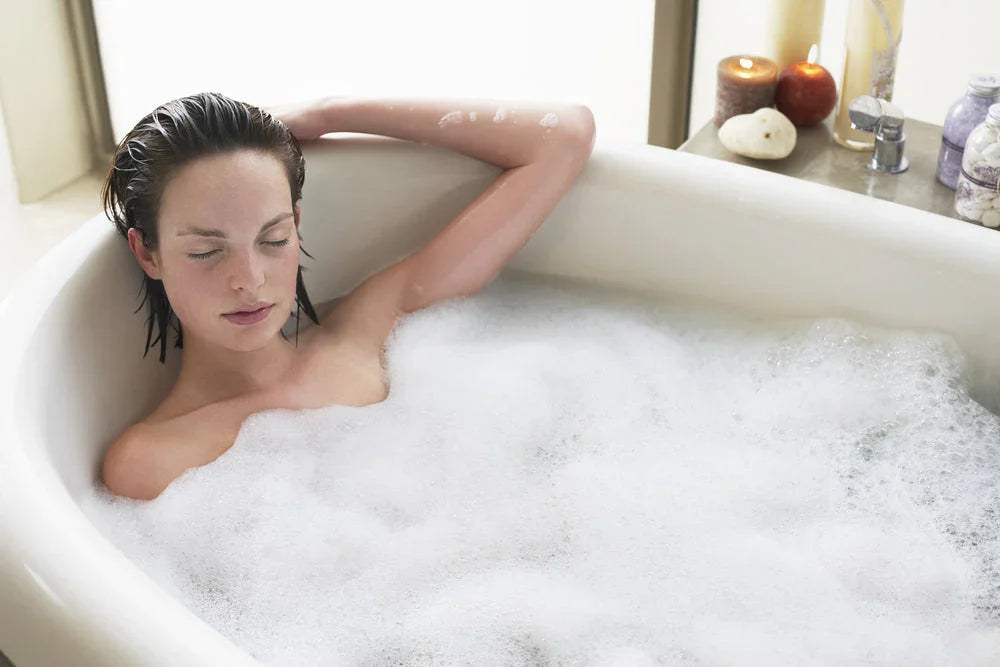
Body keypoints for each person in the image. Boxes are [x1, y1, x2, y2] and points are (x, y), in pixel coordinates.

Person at [100, 91, 596, 500]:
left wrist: (329, 113)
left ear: (296, 224)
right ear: (149, 254)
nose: (249, 279)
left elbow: (563, 136)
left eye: (273, 240)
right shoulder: (150, 462)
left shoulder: (370, 331)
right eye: (208, 252)